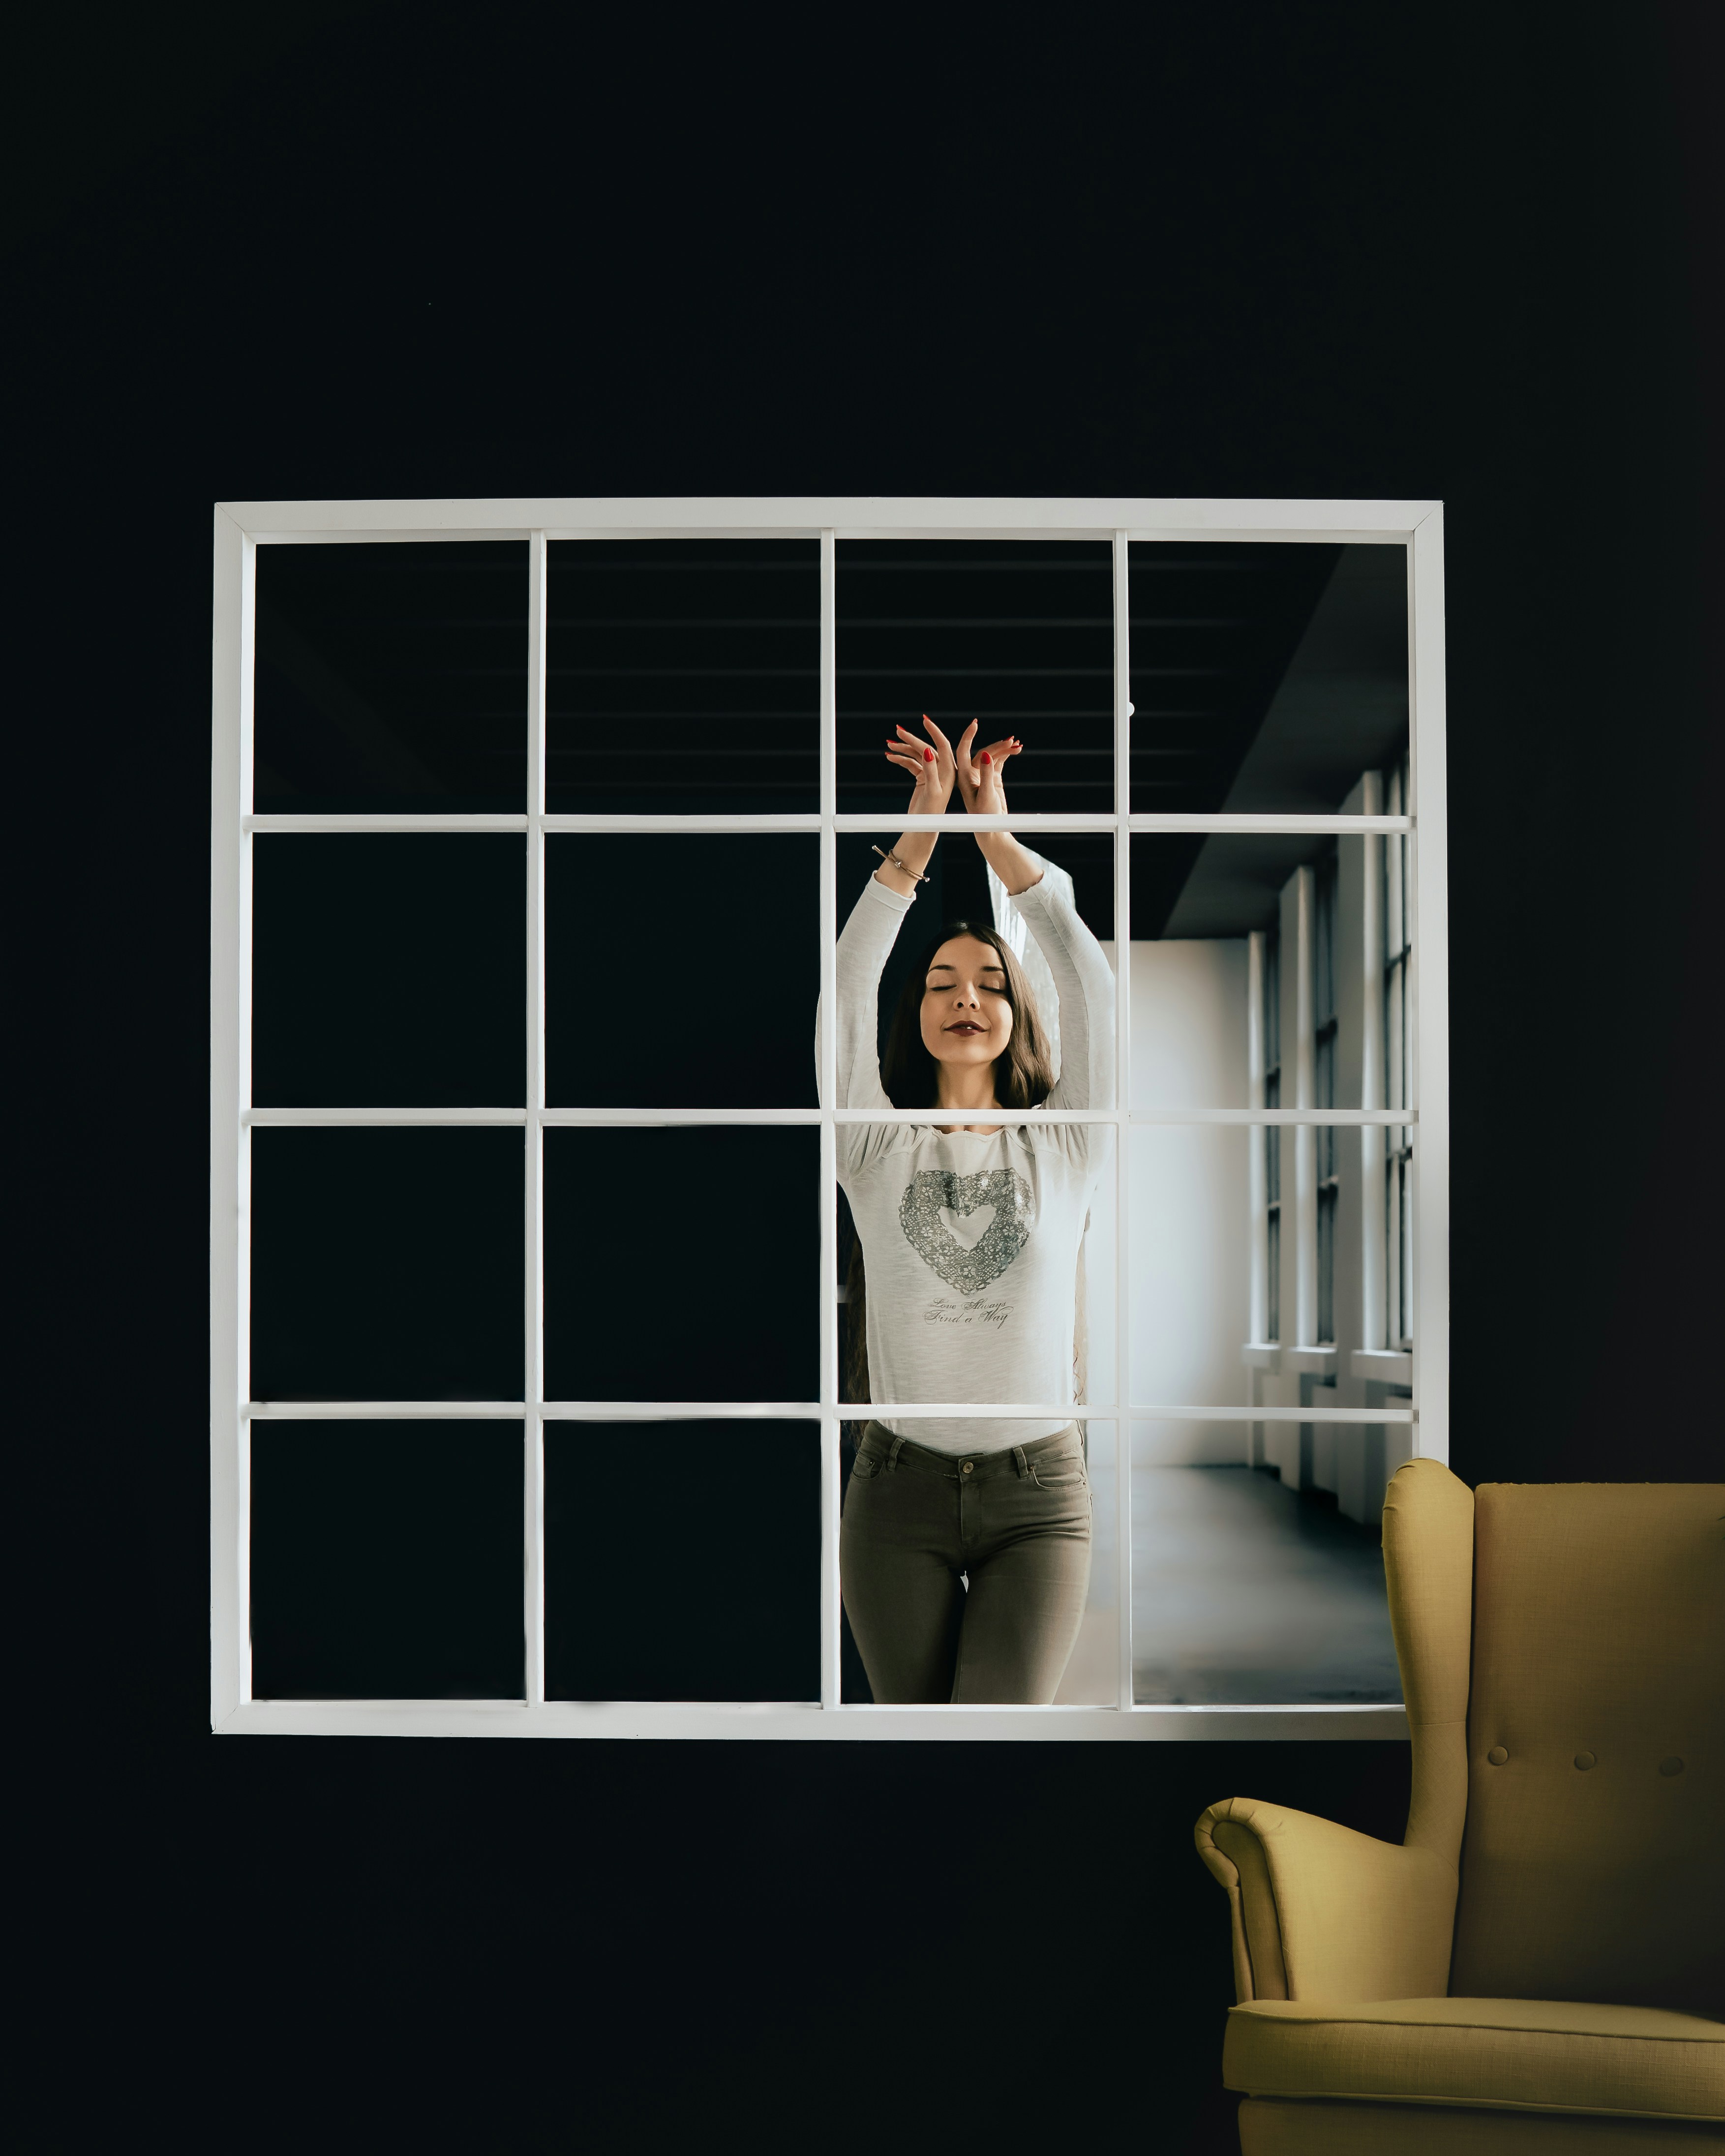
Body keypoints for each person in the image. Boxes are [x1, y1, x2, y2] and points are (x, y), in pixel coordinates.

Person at [820, 715, 1115, 1704]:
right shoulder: (870, 1143)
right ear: (915, 1012)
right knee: (910, 1752)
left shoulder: (1065, 1140)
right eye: (942, 981)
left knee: (996, 1745)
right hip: (893, 1489)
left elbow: (1092, 990)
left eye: (991, 982)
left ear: (1014, 1014)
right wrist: (911, 849)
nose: (967, 997)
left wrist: (997, 844)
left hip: (1038, 1493)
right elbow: (845, 988)